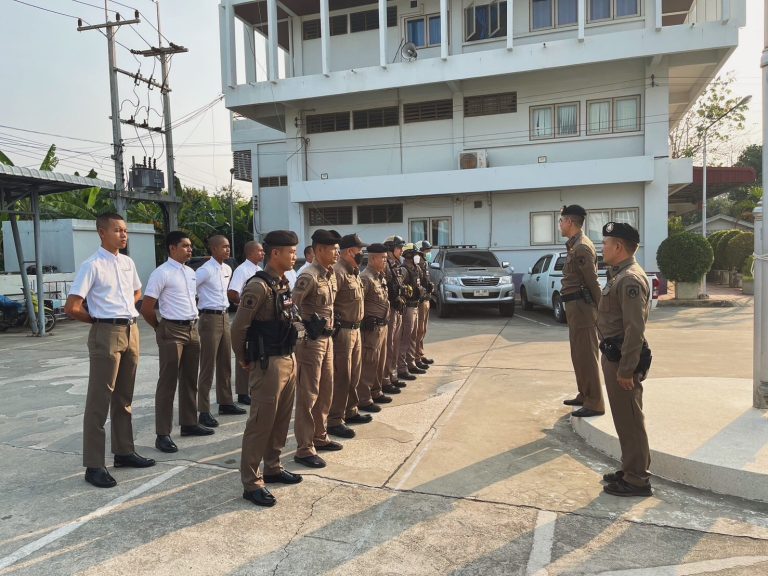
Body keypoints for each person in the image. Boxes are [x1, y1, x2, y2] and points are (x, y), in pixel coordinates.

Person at [64, 213, 155, 488]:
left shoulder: (127, 262)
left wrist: (125, 305)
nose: (123, 235)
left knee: (124, 397)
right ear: (102, 232)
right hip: (106, 333)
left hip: (132, 330)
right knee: (99, 401)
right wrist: (98, 319)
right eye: (117, 230)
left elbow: (138, 292)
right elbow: (72, 306)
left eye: (125, 230)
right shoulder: (91, 265)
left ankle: (124, 451)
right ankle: (94, 465)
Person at [231, 230, 303, 507]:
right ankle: (252, 482)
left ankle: (272, 466)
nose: (294, 256)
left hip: (287, 358)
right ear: (276, 253)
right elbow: (238, 327)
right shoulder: (258, 286)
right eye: (291, 252)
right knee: (261, 423)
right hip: (267, 362)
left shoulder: (282, 283)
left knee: (281, 419)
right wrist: (243, 357)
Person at [140, 231, 212, 454]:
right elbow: (147, 307)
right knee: (168, 382)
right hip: (172, 329)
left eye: (190, 246)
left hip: (192, 328)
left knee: (190, 379)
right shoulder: (161, 273)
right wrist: (160, 327)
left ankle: (189, 423)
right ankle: (163, 434)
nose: (190, 249)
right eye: (185, 246)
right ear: (172, 248)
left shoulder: (190, 272)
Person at [597, 222, 653, 497]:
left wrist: (627, 370)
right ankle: (630, 468)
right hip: (614, 354)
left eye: (606, 243)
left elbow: (634, 328)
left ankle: (638, 479)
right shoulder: (620, 274)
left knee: (630, 418)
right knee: (623, 417)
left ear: (618, 247)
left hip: (623, 359)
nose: (602, 248)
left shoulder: (630, 279)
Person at [292, 229, 341, 468]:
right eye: (333, 249)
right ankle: (304, 448)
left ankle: (320, 437)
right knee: (308, 394)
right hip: (311, 343)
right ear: (319, 249)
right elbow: (292, 310)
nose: (336, 253)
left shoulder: (329, 274)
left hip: (328, 340)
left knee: (326, 390)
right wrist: (303, 334)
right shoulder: (308, 276)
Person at [558, 205, 605, 418]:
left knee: (587, 354)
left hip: (582, 307)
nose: (559, 225)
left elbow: (592, 282)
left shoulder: (582, 248)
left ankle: (595, 402)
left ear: (569, 222)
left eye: (561, 221)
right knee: (578, 354)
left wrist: (602, 310)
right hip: (574, 306)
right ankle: (585, 394)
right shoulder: (574, 245)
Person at [196, 235, 246, 428]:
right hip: (209, 318)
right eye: (224, 247)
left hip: (225, 316)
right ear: (214, 249)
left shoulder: (226, 268)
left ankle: (225, 402)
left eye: (228, 247)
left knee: (225, 361)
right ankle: (203, 410)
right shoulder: (204, 270)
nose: (228, 250)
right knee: (208, 365)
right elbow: (189, 289)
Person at [327, 234, 373, 439]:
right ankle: (335, 419)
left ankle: (350, 410)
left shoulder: (353, 272)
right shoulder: (337, 272)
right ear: (348, 252)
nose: (361, 253)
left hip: (356, 329)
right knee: (341, 376)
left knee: (354, 373)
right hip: (343, 331)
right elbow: (329, 303)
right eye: (359, 250)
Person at [228, 241, 266, 406]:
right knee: (243, 350)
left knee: (256, 349)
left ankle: (253, 387)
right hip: (247, 315)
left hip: (259, 318)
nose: (263, 253)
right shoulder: (242, 270)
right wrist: (244, 306)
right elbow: (232, 292)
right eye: (260, 251)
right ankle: (242, 392)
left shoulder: (259, 270)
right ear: (250, 252)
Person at [358, 243, 393, 412]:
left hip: (382, 325)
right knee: (369, 363)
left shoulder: (380, 276)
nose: (385, 260)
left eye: (386, 257)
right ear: (372, 258)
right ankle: (364, 398)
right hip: (370, 328)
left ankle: (376, 391)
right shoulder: (365, 278)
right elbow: (359, 303)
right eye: (383, 258)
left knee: (380, 362)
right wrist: (364, 320)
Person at [382, 236, 407, 393]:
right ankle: (385, 379)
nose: (401, 250)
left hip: (397, 308)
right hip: (389, 310)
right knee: (389, 346)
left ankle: (392, 375)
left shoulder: (397, 265)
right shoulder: (385, 266)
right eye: (399, 247)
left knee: (395, 344)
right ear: (391, 249)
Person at [398, 243, 426, 379]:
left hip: (416, 305)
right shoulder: (403, 269)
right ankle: (402, 367)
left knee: (413, 336)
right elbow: (400, 287)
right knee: (405, 338)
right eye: (415, 254)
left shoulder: (416, 268)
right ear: (408, 255)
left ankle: (411, 363)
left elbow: (421, 284)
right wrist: (410, 290)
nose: (417, 257)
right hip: (408, 307)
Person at [414, 240, 435, 367]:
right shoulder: (418, 263)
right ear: (421, 251)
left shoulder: (425, 263)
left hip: (426, 298)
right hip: (421, 301)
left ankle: (420, 354)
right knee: (419, 330)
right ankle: (416, 357)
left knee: (423, 330)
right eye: (427, 251)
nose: (429, 253)